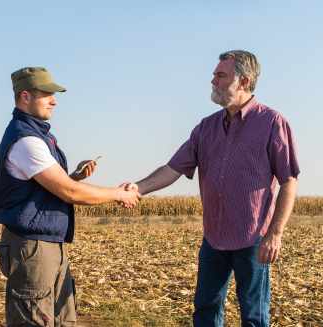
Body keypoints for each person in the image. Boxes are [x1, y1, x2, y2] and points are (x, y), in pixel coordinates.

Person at [124, 50, 299, 326]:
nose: (213, 81)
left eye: (220, 75)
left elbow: (289, 180)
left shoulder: (272, 123)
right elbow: (172, 169)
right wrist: (138, 188)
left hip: (253, 239)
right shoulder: (206, 128)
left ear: (244, 81)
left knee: (254, 316)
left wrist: (275, 234)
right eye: (214, 75)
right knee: (205, 309)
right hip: (214, 239)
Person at [0, 66, 140, 327]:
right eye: (47, 94)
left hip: (47, 244)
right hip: (33, 248)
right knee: (35, 319)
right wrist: (117, 194)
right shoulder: (26, 140)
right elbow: (68, 192)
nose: (54, 100)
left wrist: (75, 176)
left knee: (63, 318)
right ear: (25, 97)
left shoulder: (39, 135)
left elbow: (50, 189)